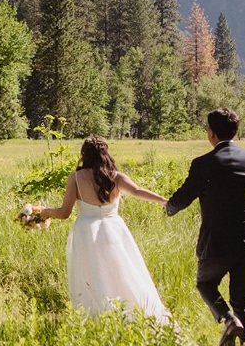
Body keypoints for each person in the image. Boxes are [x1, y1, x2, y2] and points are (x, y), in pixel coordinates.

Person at [165, 107, 245, 346]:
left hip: (218, 243)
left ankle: (228, 320)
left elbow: (183, 197)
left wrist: (169, 207)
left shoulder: (204, 164)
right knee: (243, 300)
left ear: (211, 133)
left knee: (205, 283)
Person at [35, 136, 171, 320]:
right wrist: (164, 201)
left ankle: (97, 316)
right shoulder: (116, 176)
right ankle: (130, 312)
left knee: (92, 274)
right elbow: (138, 191)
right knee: (121, 271)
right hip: (114, 228)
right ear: (105, 153)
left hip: (86, 231)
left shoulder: (75, 178)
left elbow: (64, 212)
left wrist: (46, 212)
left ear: (84, 154)